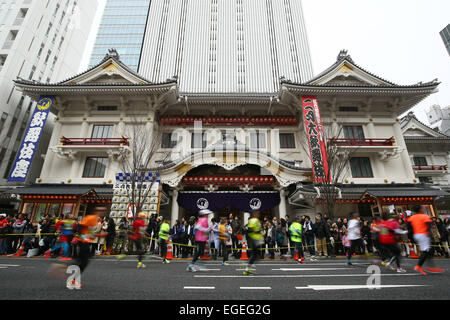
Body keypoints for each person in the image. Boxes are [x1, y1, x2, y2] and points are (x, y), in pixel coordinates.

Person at [406, 205, 444, 274]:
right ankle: (419, 266)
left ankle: (427, 266)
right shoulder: (425, 216)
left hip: (416, 235)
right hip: (423, 234)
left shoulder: (411, 217)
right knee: (426, 251)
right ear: (420, 210)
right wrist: (427, 233)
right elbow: (429, 226)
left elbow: (408, 226)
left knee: (428, 250)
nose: (423, 209)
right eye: (422, 208)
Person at [244, 210, 264, 275]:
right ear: (254, 214)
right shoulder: (253, 220)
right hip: (254, 239)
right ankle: (248, 267)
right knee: (255, 255)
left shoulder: (256, 220)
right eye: (257, 213)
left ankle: (250, 264)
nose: (259, 214)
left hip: (256, 239)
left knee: (256, 255)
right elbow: (249, 230)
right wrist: (258, 232)